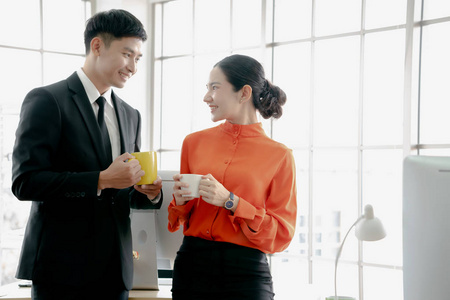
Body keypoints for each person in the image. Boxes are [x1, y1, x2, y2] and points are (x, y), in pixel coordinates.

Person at [11, 9, 162, 300]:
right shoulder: (47, 100)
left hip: (116, 273)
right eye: (127, 54)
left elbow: (123, 194)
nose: (133, 67)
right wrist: (101, 180)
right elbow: (25, 182)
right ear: (97, 46)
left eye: (138, 59)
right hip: (60, 272)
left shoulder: (131, 116)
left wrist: (147, 192)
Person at [168, 54, 297, 300]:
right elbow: (182, 218)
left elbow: (281, 234)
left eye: (215, 88)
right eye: (207, 88)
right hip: (192, 266)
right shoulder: (193, 143)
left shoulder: (280, 156)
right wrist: (181, 201)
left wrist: (232, 202)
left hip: (246, 273)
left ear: (244, 93)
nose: (207, 97)